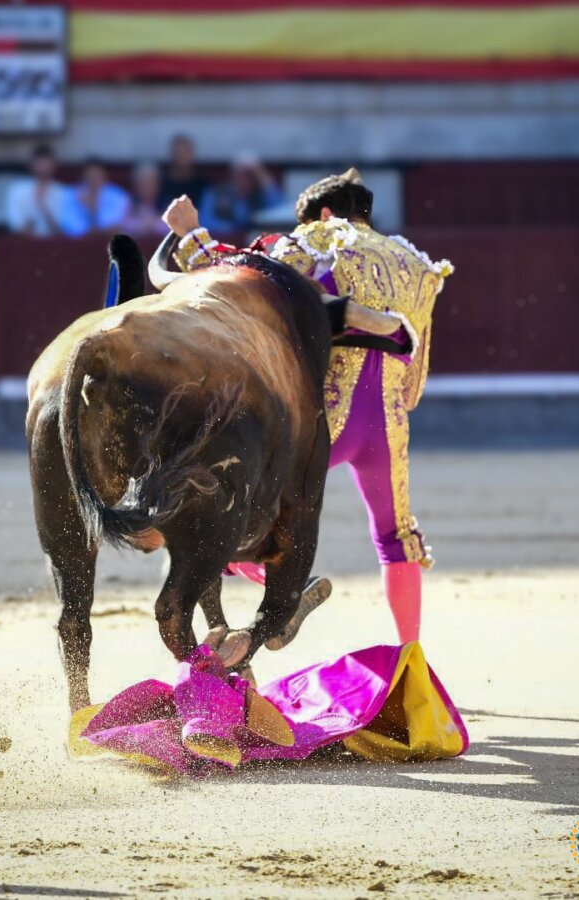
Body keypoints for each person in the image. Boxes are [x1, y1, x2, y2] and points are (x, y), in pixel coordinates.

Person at [163, 168, 451, 646]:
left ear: (322, 213)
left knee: (235, 521)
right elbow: (415, 369)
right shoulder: (414, 264)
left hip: (323, 423)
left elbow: (238, 277)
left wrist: (189, 233)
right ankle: (410, 659)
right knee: (395, 536)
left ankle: (283, 595)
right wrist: (393, 410)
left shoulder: (318, 241)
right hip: (388, 425)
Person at [198, 154, 285, 233]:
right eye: (242, 175)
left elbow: (280, 206)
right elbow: (205, 223)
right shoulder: (216, 193)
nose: (245, 180)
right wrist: (236, 229)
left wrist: (263, 177)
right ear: (234, 175)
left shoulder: (260, 196)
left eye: (250, 176)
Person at [6, 143, 75, 237]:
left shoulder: (62, 192)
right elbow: (16, 226)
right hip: (25, 245)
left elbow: (64, 230)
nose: (43, 167)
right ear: (32, 165)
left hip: (54, 245)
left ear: (54, 165)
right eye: (40, 163)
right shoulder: (18, 190)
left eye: (47, 163)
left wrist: (43, 205)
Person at [62, 159, 130, 236]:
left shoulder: (118, 196)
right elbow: (73, 230)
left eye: (97, 175)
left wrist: (93, 209)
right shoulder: (71, 195)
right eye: (90, 175)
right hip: (79, 244)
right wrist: (87, 209)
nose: (93, 179)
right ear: (83, 177)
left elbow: (114, 226)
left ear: (104, 175)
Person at [158, 134, 212, 209]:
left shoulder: (202, 185)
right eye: (179, 153)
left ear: (192, 155)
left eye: (185, 153)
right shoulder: (161, 185)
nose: (182, 157)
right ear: (172, 155)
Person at [119, 163, 165, 235]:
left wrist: (154, 224)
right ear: (135, 184)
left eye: (150, 182)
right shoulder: (127, 202)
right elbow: (121, 225)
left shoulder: (166, 203)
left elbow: (171, 228)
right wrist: (142, 225)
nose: (146, 186)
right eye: (142, 182)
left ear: (157, 184)